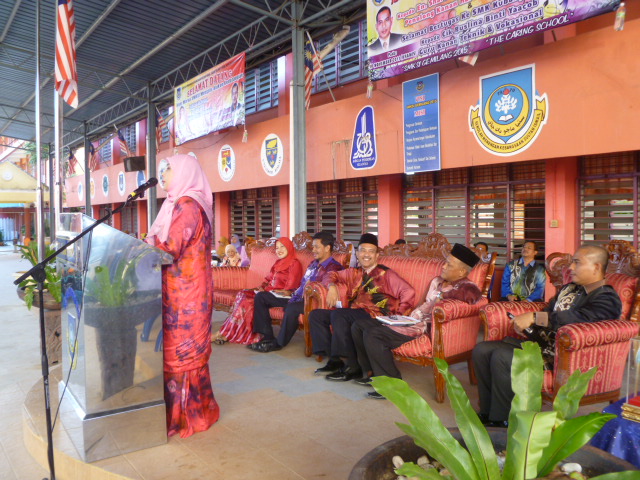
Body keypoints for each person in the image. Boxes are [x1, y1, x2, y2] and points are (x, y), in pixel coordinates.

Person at [473, 245, 622, 427]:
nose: (571, 268)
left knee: (502, 357)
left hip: (566, 358)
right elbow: (549, 310)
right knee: (482, 350)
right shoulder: (570, 288)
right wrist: (529, 325)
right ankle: (489, 413)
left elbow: (580, 319)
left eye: (577, 263)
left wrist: (535, 317)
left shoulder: (606, 296)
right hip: (541, 346)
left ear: (597, 267)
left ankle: (504, 420)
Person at [145, 153, 219, 438]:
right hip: (183, 291)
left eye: (167, 171)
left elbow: (168, 249)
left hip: (187, 296)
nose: (162, 177)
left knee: (181, 354)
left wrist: (139, 249)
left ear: (184, 172)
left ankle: (187, 416)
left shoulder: (187, 205)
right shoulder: (181, 204)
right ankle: (190, 411)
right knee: (180, 353)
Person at [351, 244, 482, 399]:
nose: (443, 266)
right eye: (445, 262)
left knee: (374, 335)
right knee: (358, 326)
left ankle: (394, 385)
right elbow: (423, 303)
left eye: (449, 264)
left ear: (461, 271)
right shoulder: (437, 281)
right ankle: (372, 373)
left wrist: (444, 296)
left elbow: (474, 296)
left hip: (423, 327)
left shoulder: (466, 286)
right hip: (412, 319)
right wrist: (403, 317)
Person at [309, 233, 415, 382]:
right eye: (363, 250)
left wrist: (398, 316)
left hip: (374, 313)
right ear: (357, 253)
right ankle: (335, 361)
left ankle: (353, 367)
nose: (366, 254)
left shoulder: (386, 274)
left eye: (371, 251)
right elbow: (331, 275)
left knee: (339, 315)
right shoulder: (355, 272)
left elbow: (408, 291)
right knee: (316, 315)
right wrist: (331, 286)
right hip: (355, 312)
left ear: (377, 255)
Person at [249, 231, 345, 353]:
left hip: (313, 302)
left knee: (292, 308)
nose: (313, 250)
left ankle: (278, 343)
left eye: (316, 247)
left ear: (327, 248)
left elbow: (330, 278)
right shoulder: (313, 264)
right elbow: (303, 284)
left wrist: (331, 286)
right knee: (261, 297)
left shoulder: (334, 266)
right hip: (297, 296)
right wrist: (291, 292)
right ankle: (267, 337)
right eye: (313, 246)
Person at [213, 237, 303, 345]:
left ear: (289, 247)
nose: (279, 250)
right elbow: (268, 279)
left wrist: (276, 291)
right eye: (277, 248)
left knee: (249, 301)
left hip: (282, 296)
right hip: (268, 293)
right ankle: (228, 333)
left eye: (282, 247)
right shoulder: (278, 262)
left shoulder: (294, 263)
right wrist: (261, 287)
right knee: (243, 294)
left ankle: (230, 334)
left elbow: (291, 286)